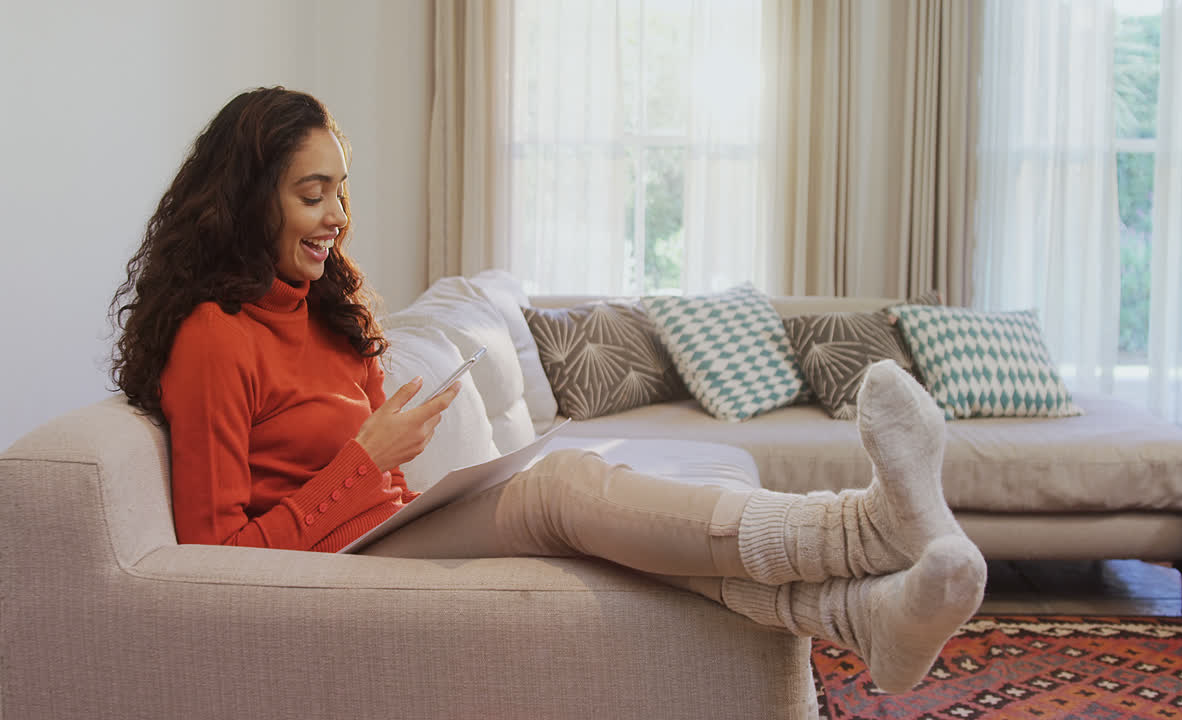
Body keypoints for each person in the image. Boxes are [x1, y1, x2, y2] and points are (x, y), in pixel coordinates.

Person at [109, 86, 986, 694]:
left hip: (381, 531)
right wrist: (362, 459)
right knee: (562, 489)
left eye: (342, 190)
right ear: (249, 199)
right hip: (319, 581)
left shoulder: (326, 312)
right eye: (313, 194)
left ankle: (864, 613)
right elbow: (215, 560)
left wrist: (387, 473)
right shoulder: (214, 339)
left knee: (604, 514)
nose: (338, 215)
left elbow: (372, 486)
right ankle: (864, 526)